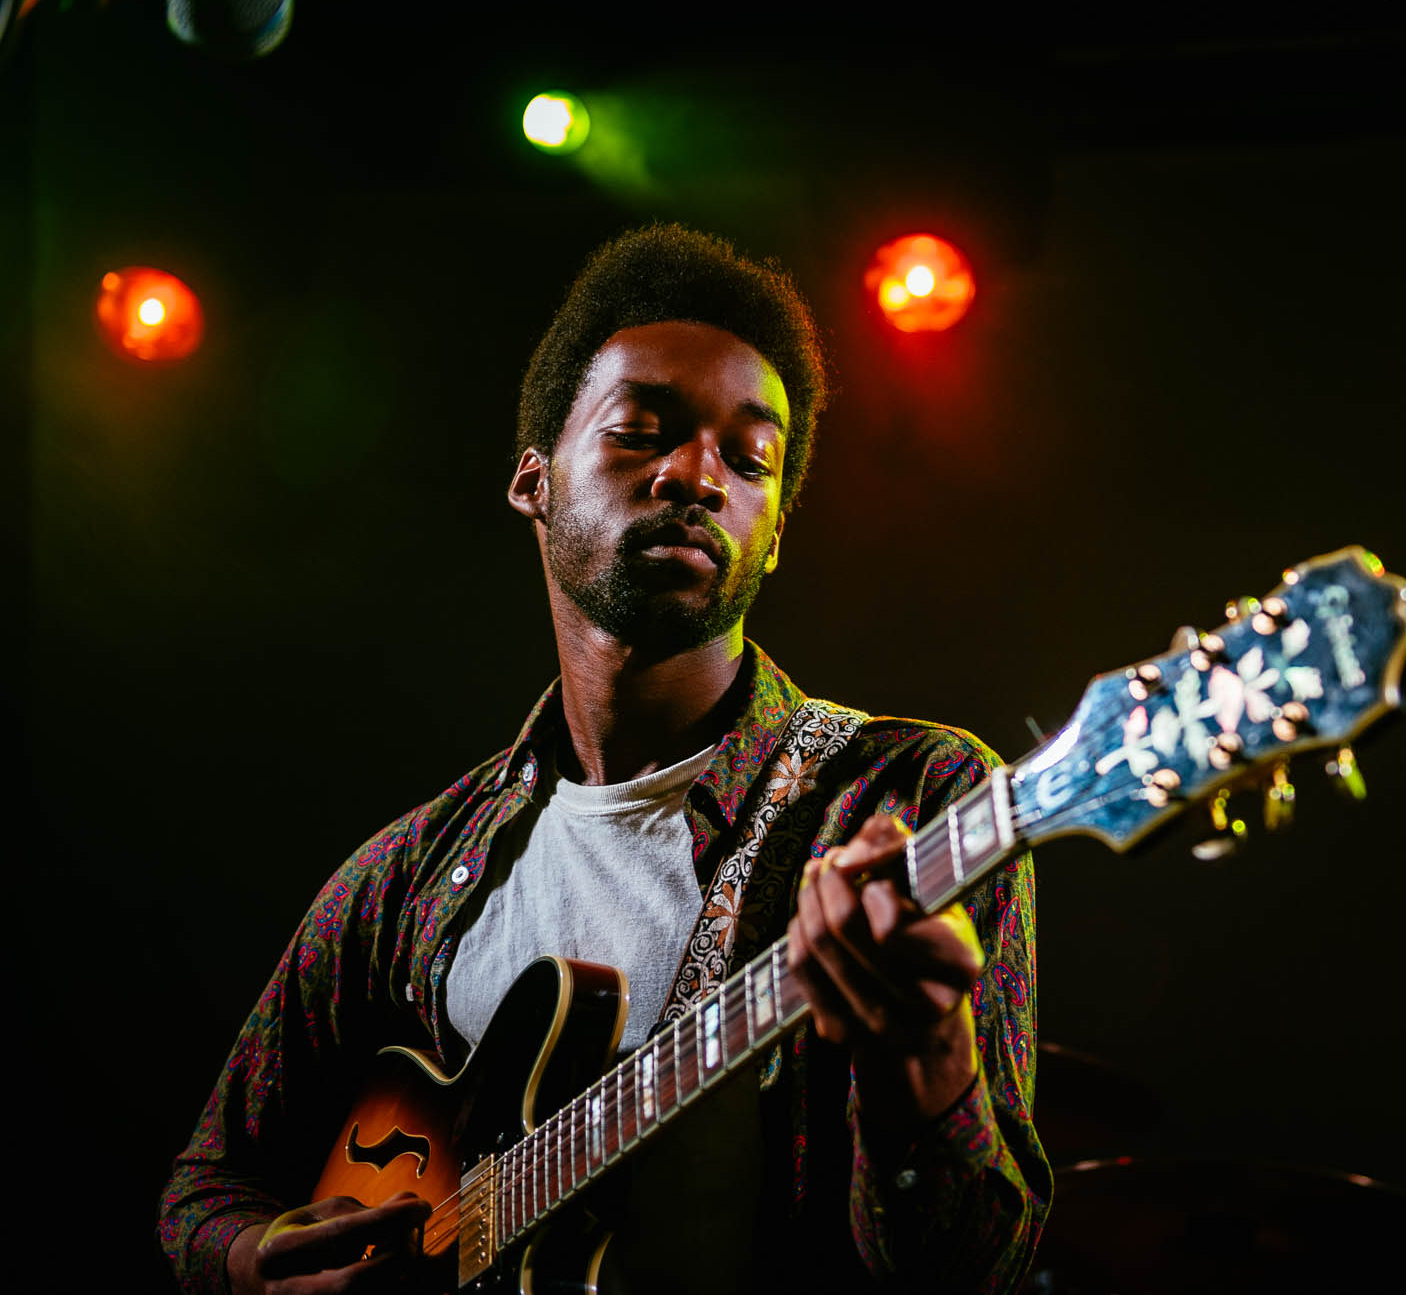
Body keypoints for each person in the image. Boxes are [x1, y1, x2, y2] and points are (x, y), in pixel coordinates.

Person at [158, 224, 1049, 1293]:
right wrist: (251, 1260)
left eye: (748, 456)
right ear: (533, 480)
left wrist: (925, 1071)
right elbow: (203, 1186)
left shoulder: (902, 805)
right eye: (641, 430)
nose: (696, 474)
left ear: (773, 529)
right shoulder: (405, 875)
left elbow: (976, 1275)